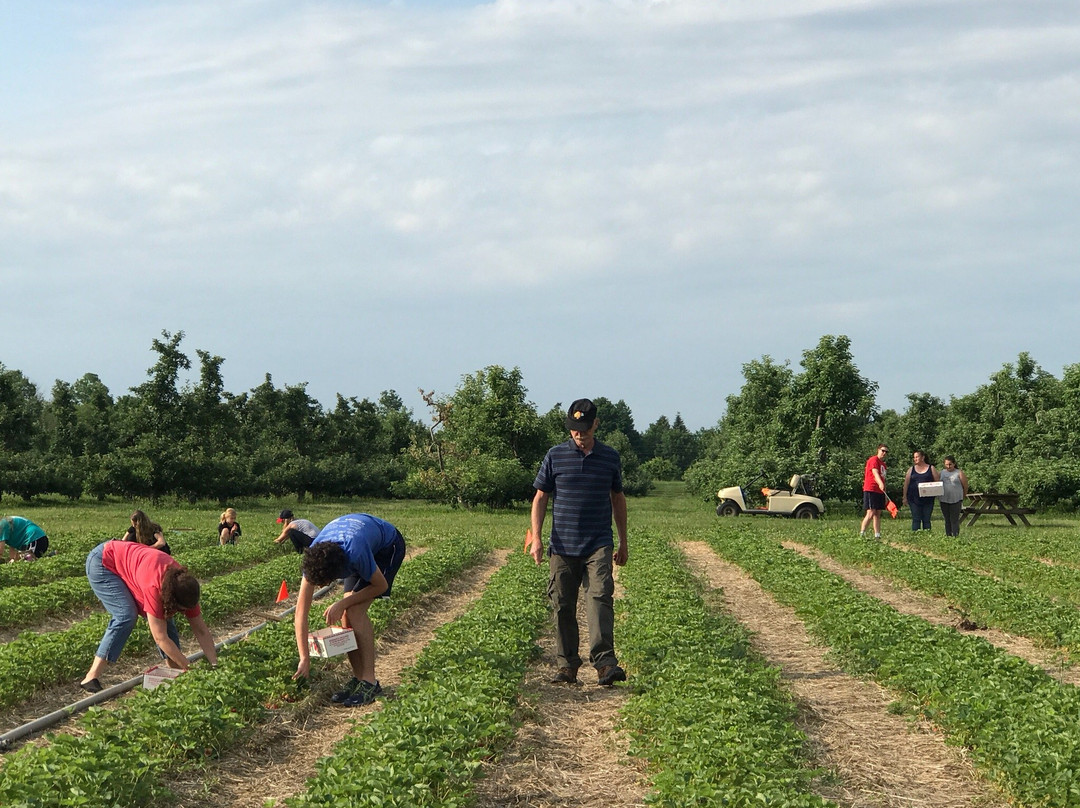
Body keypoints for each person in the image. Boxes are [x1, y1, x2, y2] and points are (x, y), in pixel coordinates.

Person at [528, 398, 629, 687]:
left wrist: (623, 541)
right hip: (562, 545)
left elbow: (617, 499)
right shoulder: (555, 455)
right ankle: (567, 667)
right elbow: (540, 498)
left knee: (599, 599)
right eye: (574, 429)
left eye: (584, 428)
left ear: (595, 424)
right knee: (562, 604)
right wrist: (536, 537)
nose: (579, 434)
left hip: (598, 542)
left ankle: (605, 664)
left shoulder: (609, 457)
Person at [292, 513, 406, 707]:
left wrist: (342, 603)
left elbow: (380, 585)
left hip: (387, 547)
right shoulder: (314, 558)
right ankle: (358, 677)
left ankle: (370, 682)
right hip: (354, 541)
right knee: (347, 614)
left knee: (353, 611)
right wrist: (304, 657)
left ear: (338, 571)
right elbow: (300, 613)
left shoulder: (354, 552)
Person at [80, 539, 218, 693]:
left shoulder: (184, 586)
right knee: (126, 615)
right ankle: (91, 676)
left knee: (165, 617)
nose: (182, 612)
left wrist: (215, 664)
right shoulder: (155, 587)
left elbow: (201, 630)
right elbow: (160, 637)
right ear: (171, 598)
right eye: (180, 609)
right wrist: (190, 669)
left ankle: (175, 671)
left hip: (134, 564)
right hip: (103, 562)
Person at [902, 450, 940, 531]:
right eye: (914, 457)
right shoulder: (911, 469)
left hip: (928, 499)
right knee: (916, 519)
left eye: (917, 457)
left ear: (922, 457)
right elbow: (906, 484)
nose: (915, 459)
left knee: (926, 519)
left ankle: (927, 537)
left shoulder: (931, 468)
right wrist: (904, 497)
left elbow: (937, 483)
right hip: (914, 499)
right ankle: (915, 537)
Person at [859, 444, 889, 539]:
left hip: (880, 491)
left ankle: (877, 535)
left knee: (878, 513)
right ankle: (862, 533)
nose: (884, 453)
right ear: (878, 450)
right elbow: (875, 473)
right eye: (882, 450)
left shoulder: (883, 465)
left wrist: (885, 494)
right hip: (871, 489)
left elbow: (883, 480)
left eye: (886, 452)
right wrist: (880, 483)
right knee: (871, 512)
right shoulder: (873, 460)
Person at [939, 456, 970, 537]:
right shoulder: (941, 473)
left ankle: (955, 535)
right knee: (947, 519)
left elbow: (965, 486)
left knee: (954, 519)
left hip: (956, 499)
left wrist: (963, 496)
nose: (948, 466)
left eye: (950, 464)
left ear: (954, 464)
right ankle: (948, 535)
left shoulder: (959, 473)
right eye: (946, 464)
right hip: (944, 499)